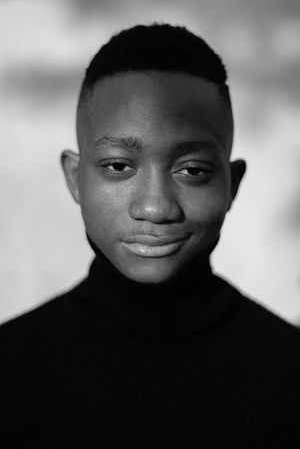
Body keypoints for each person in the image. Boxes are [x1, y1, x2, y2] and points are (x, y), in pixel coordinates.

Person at [0, 23, 299, 448]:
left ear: (232, 185)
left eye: (192, 171)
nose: (156, 208)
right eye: (119, 166)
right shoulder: (10, 368)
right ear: (74, 178)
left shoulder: (289, 372)